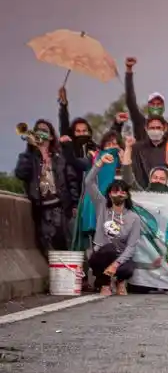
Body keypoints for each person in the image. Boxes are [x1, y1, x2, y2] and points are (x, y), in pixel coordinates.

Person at [15, 120, 79, 254]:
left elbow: (72, 180)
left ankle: (73, 274)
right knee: (48, 248)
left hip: (61, 208)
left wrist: (75, 204)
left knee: (67, 244)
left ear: (50, 136)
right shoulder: (29, 157)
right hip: (42, 210)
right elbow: (21, 173)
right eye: (38, 130)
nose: (40, 133)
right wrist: (29, 149)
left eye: (44, 130)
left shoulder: (60, 157)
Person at [84, 153, 141, 296]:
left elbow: (131, 246)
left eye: (123, 191)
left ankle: (120, 281)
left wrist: (116, 264)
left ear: (127, 195)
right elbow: (89, 182)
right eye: (115, 191)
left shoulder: (133, 218)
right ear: (109, 194)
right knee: (108, 249)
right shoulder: (102, 206)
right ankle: (104, 283)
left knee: (129, 267)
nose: (119, 194)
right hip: (102, 253)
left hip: (120, 256)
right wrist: (100, 163)